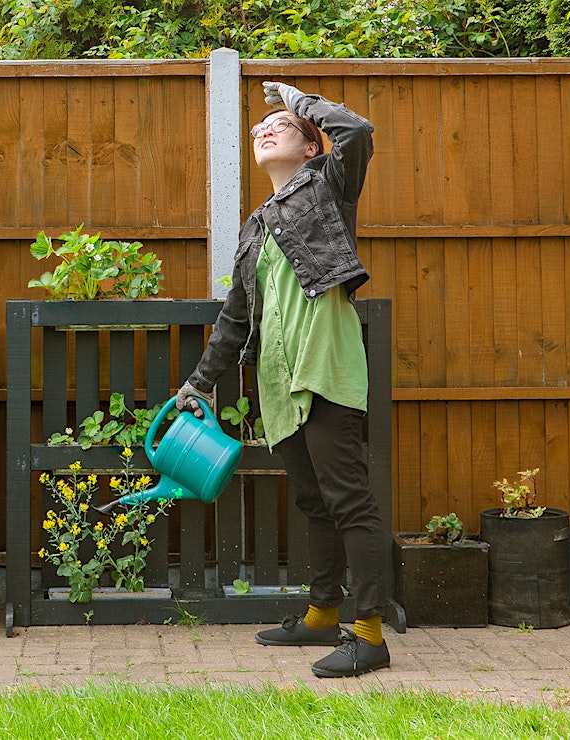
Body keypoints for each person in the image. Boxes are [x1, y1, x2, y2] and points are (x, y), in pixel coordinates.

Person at [176, 81, 388, 678]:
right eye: (258, 129)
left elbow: (358, 132)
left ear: (309, 143)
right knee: (313, 501)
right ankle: (323, 613)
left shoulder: (329, 186)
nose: (265, 129)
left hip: (325, 363)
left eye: (282, 125)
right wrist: (198, 383)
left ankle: (370, 635)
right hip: (277, 377)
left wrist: (301, 101)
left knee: (349, 501)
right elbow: (236, 317)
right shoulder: (255, 227)